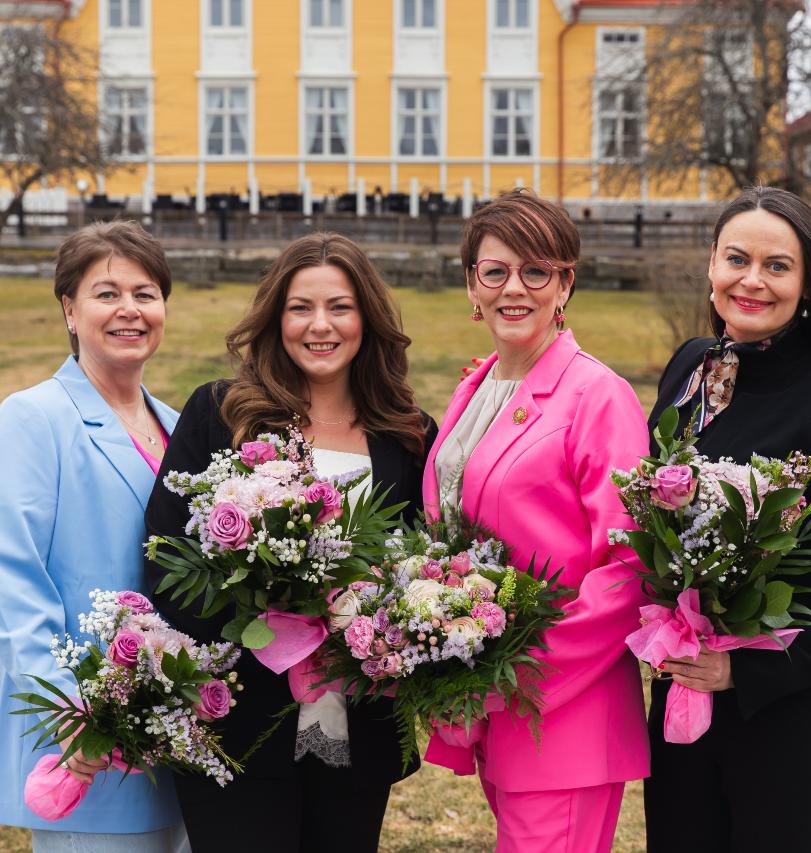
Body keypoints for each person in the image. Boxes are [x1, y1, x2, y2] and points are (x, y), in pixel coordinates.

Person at [144, 232, 437, 853]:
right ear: (276, 318)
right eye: (300, 307)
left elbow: (420, 565)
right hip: (238, 722)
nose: (319, 325)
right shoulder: (223, 414)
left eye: (340, 306)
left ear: (368, 320)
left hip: (359, 726)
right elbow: (167, 561)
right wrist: (268, 618)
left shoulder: (408, 435)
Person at [422, 188, 650, 853]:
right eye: (494, 271)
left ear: (565, 282)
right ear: (471, 283)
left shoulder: (596, 395)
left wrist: (513, 677)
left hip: (563, 709)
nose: (512, 288)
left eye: (535, 270)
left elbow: (627, 566)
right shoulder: (480, 384)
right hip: (497, 709)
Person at [644, 186, 811, 853]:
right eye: (736, 258)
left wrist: (743, 670)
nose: (751, 280)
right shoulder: (692, 367)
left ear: (808, 285)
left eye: (777, 265)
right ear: (710, 265)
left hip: (790, 721)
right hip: (683, 706)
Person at [0, 221, 187, 852]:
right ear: (69, 310)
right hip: (87, 740)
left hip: (179, 733)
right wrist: (69, 711)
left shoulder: (182, 426)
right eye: (106, 293)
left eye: (145, 292)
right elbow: (13, 578)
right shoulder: (32, 418)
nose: (130, 310)